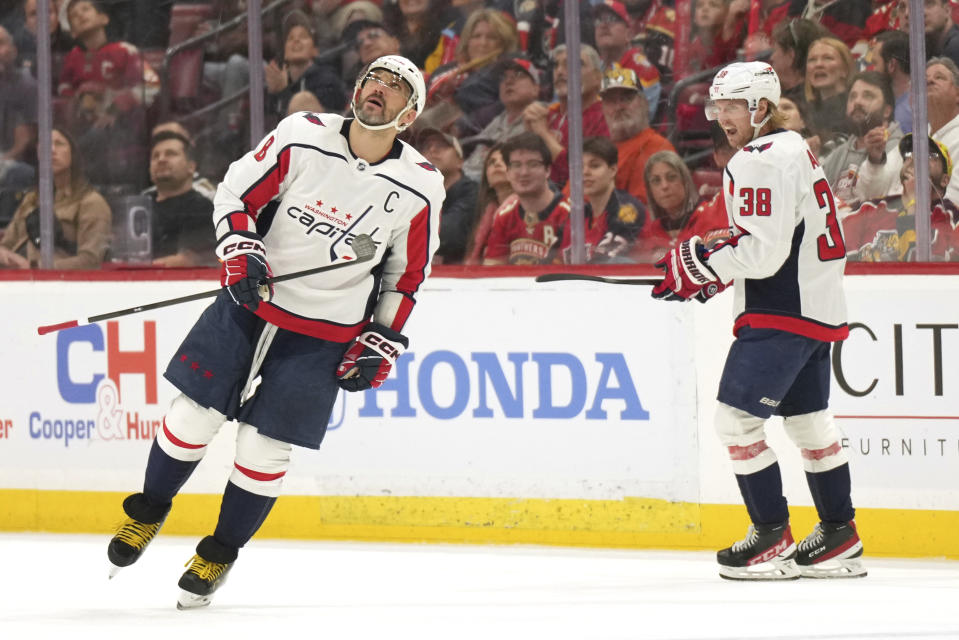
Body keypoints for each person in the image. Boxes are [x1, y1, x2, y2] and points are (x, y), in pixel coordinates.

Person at [104, 55, 445, 609]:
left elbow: (405, 278)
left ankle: (218, 554)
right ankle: (147, 513)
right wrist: (241, 250)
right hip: (252, 302)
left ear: (408, 116)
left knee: (264, 448)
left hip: (326, 331)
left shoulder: (421, 186)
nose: (378, 89)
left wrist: (381, 339)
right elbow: (235, 194)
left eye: (396, 87)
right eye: (372, 79)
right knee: (193, 414)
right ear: (355, 91)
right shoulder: (302, 136)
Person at [650, 61, 865, 581]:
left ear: (761, 108)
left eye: (732, 106)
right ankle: (839, 533)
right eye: (717, 106)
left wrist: (703, 266)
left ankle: (770, 536)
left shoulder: (760, 158)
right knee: (810, 422)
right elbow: (777, 233)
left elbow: (764, 254)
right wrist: (714, 251)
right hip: (816, 308)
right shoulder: (793, 149)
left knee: (736, 421)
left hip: (780, 309)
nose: (721, 117)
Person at [0, 127, 111, 269]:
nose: (51, 150)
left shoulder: (91, 203)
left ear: (73, 153)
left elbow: (90, 261)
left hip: (59, 285)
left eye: (59, 144)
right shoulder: (31, 200)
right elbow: (6, 245)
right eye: (45, 145)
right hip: (15, 282)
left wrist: (34, 267)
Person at [843, 133, 958, 261]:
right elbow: (838, 263)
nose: (915, 157)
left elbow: (922, 270)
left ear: (944, 180)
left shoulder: (951, 217)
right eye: (910, 154)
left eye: (930, 155)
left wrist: (913, 204)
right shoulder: (870, 208)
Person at [523, 44, 609, 189]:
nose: (560, 71)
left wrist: (543, 134)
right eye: (556, 66)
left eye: (574, 65)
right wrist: (528, 134)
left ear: (597, 78)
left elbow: (582, 173)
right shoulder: (547, 114)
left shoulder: (604, 116)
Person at [482, 132, 570, 265]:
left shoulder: (569, 214)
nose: (524, 173)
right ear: (508, 173)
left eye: (533, 164)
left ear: (547, 170)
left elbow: (570, 276)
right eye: (516, 165)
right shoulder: (504, 216)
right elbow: (491, 270)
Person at [820, 71, 903, 205]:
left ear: (887, 111)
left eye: (868, 96)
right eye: (852, 97)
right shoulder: (837, 154)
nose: (857, 102)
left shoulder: (900, 150)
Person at [631, 150, 728, 263]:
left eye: (671, 177)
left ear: (685, 181)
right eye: (656, 181)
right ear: (649, 190)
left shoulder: (710, 216)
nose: (664, 186)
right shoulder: (648, 230)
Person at [563, 136, 645, 263]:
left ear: (612, 170)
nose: (585, 172)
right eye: (579, 167)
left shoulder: (627, 209)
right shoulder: (577, 216)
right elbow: (551, 259)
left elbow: (605, 264)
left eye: (594, 166)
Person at [599, 67, 674, 207]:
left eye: (626, 99)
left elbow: (639, 212)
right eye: (611, 101)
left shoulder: (656, 148)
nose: (618, 107)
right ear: (603, 109)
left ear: (644, 103)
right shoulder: (600, 150)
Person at [461, 54, 542, 182]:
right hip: (476, 184)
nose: (508, 81)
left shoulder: (542, 118)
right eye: (504, 77)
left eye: (519, 76)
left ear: (536, 89)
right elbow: (472, 163)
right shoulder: (498, 120)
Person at [145, 131, 216, 267]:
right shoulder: (139, 208)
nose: (161, 159)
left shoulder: (202, 209)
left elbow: (191, 260)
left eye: (170, 154)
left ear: (191, 167)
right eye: (155, 156)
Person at [265, 10, 347, 124]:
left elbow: (312, 124)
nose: (296, 40)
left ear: (315, 51)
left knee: (302, 100)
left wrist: (284, 92)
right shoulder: (278, 82)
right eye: (290, 38)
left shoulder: (328, 80)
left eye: (303, 36)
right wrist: (274, 94)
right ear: (284, 52)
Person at [417, 127, 478, 264]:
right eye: (426, 147)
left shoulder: (471, 190)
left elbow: (450, 234)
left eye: (442, 146)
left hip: (458, 274)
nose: (432, 150)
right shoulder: (417, 193)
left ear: (460, 161)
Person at [592, 0, 661, 120]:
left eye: (611, 19)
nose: (603, 25)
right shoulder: (591, 67)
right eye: (599, 20)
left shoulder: (642, 69)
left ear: (629, 34)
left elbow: (642, 119)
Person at [464, 142, 514, 265]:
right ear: (487, 180)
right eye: (491, 162)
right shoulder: (483, 214)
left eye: (505, 160)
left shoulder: (526, 209)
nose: (497, 164)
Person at [804, 37, 856, 149]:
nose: (818, 64)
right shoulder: (803, 110)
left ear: (845, 69)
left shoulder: (855, 108)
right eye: (812, 60)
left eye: (828, 58)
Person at [768, 18, 828, 105]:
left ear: (790, 55)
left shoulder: (795, 107)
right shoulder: (818, 96)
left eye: (775, 50)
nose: (771, 58)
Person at [871, 30, 912, 134]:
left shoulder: (906, 114)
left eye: (875, 63)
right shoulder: (913, 101)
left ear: (891, 65)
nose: (872, 70)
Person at [923, 0, 959, 68]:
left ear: (947, 10)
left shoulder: (955, 45)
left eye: (929, 4)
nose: (922, 12)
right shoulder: (930, 44)